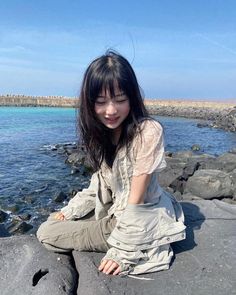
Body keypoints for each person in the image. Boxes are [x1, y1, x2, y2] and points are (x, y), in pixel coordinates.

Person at [37, 50, 186, 276]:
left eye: (120, 100)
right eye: (100, 102)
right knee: (55, 219)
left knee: (46, 233)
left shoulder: (147, 132)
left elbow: (135, 202)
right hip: (114, 212)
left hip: (138, 219)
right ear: (89, 103)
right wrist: (70, 211)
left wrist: (122, 252)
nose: (111, 110)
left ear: (132, 98)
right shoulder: (104, 134)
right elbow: (97, 186)